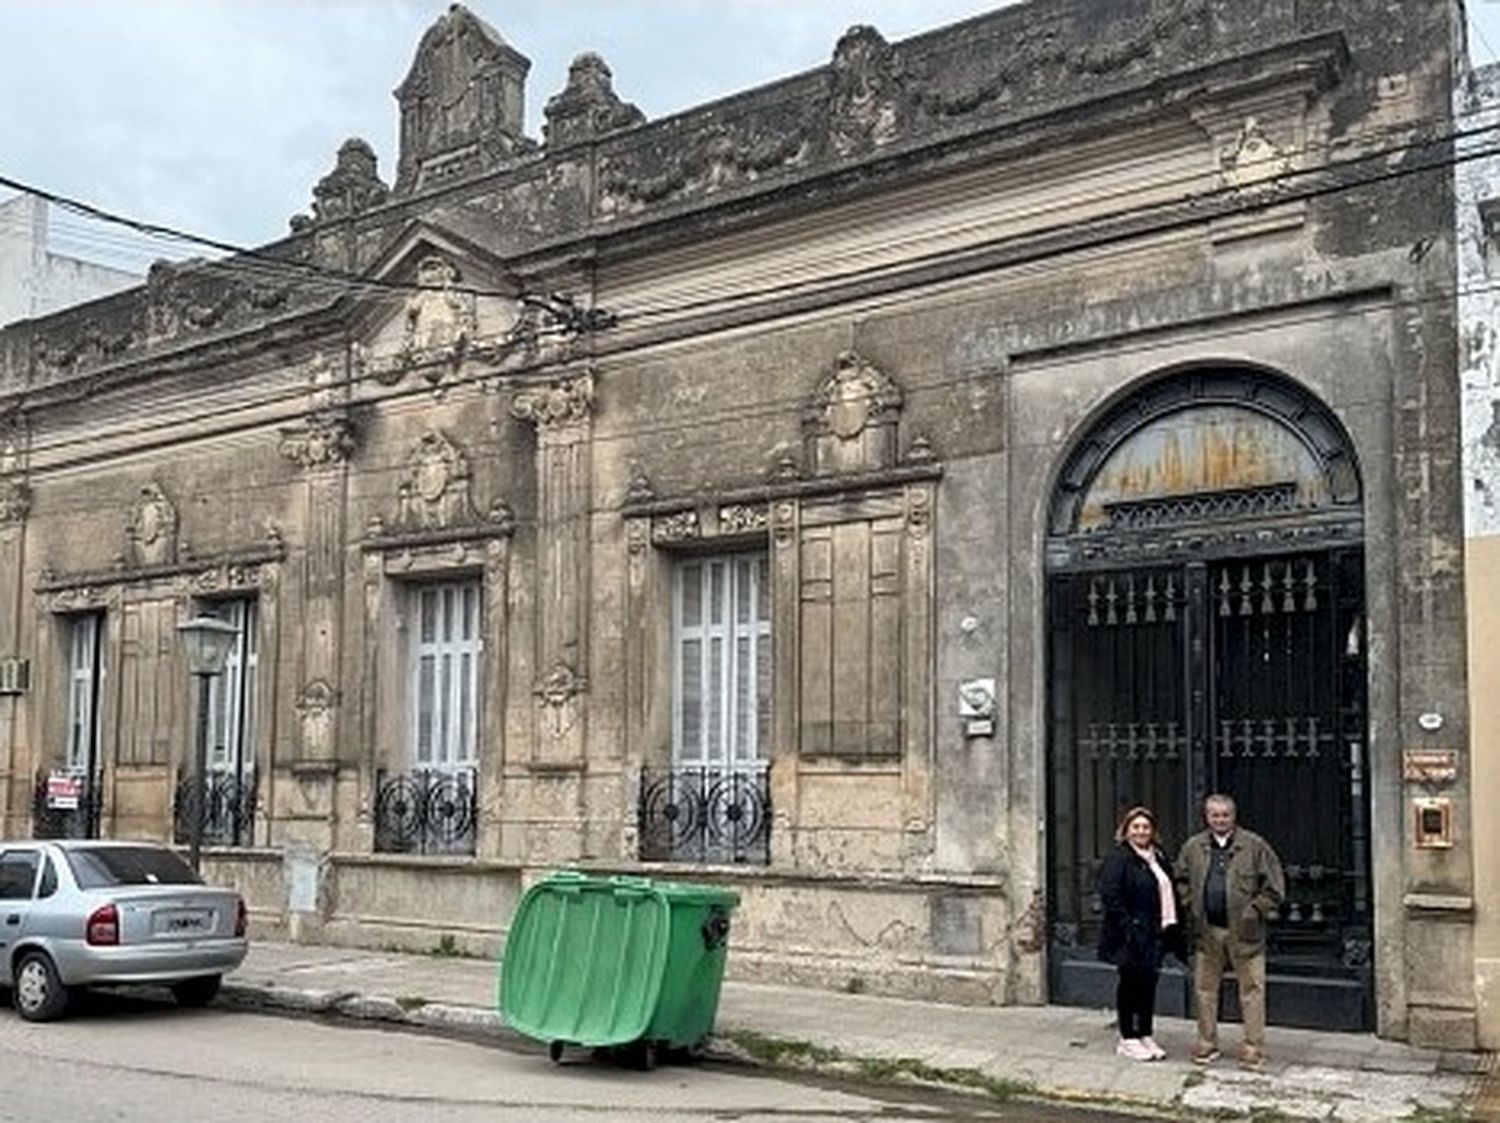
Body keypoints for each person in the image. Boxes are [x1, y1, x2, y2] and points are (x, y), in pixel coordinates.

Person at [1175, 792, 1285, 1070]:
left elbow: (1274, 887)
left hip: (1246, 934)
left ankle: (1253, 1047)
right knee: (1204, 989)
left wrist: (1254, 911)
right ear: (1207, 816)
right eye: (1215, 815)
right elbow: (1180, 880)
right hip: (1208, 932)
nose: (1220, 820)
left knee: (1252, 990)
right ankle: (1206, 1042)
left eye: (1225, 815)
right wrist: (1192, 905)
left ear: (1233, 816)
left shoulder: (1254, 846)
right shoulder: (1193, 847)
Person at [1096, 805, 1185, 1061]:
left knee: (1148, 985)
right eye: (1135, 827)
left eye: (1145, 827)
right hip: (1131, 935)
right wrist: (1129, 926)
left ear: (1153, 831)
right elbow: (1111, 896)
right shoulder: (1119, 858)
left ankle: (1145, 1033)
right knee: (1130, 985)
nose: (1141, 832)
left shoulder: (1158, 856)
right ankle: (1128, 1037)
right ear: (1126, 830)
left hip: (1157, 931)